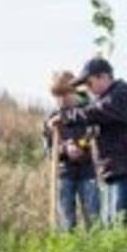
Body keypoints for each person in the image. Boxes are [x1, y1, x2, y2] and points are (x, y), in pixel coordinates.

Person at [56, 57, 127, 226]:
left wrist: (67, 116)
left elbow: (96, 112)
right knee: (108, 225)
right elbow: (93, 131)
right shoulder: (105, 99)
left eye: (89, 84)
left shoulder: (120, 94)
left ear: (103, 77)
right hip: (112, 171)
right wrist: (78, 144)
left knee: (116, 225)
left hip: (126, 169)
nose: (88, 90)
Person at [43, 71, 100, 231]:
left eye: (65, 94)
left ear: (73, 92)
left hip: (88, 172)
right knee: (66, 223)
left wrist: (81, 146)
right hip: (63, 175)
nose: (61, 99)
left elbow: (94, 132)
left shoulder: (87, 112)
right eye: (57, 95)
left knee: (93, 218)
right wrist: (64, 149)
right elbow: (48, 150)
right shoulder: (51, 119)